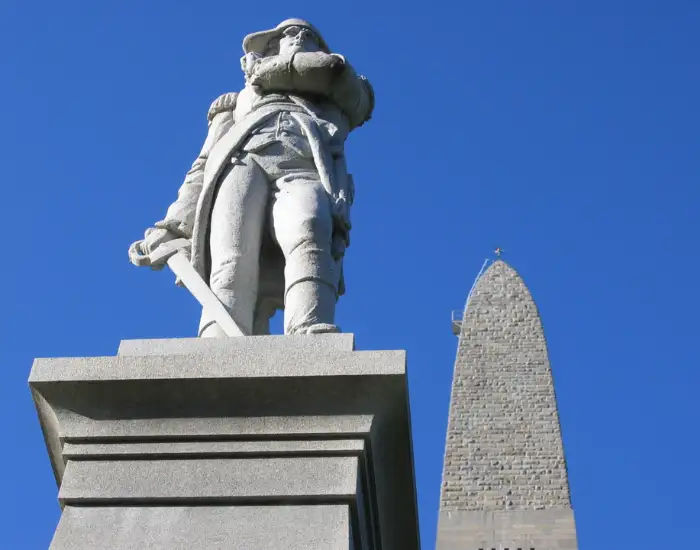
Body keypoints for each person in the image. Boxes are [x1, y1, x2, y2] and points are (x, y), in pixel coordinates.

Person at [129, 19, 374, 337]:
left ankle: (308, 327)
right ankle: (218, 335)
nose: (294, 38)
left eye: (304, 34)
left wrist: (263, 72)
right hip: (241, 162)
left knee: (309, 224)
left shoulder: (343, 88)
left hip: (304, 166)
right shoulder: (235, 102)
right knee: (230, 259)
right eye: (283, 36)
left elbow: (328, 71)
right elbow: (203, 165)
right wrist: (173, 225)